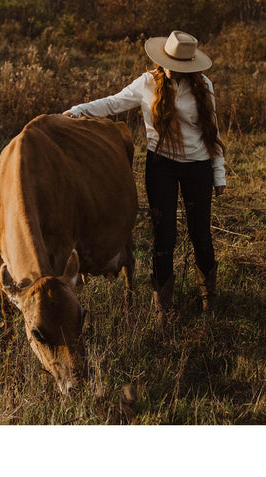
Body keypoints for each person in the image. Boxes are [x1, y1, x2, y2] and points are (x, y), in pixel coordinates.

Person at [63, 30, 226, 320]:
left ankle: (209, 299)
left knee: (200, 233)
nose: (171, 69)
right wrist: (78, 111)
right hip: (161, 164)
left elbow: (212, 132)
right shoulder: (147, 83)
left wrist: (218, 174)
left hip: (198, 166)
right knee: (164, 235)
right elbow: (113, 103)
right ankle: (163, 305)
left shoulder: (204, 85)